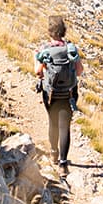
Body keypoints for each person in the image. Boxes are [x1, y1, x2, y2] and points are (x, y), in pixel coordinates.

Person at [33, 16, 82, 171]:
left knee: (53, 122)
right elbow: (79, 71)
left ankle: (54, 152)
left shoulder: (45, 49)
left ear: (49, 31)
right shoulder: (71, 49)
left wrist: (36, 59)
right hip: (69, 93)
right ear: (63, 31)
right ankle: (63, 163)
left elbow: (38, 72)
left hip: (51, 94)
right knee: (65, 126)